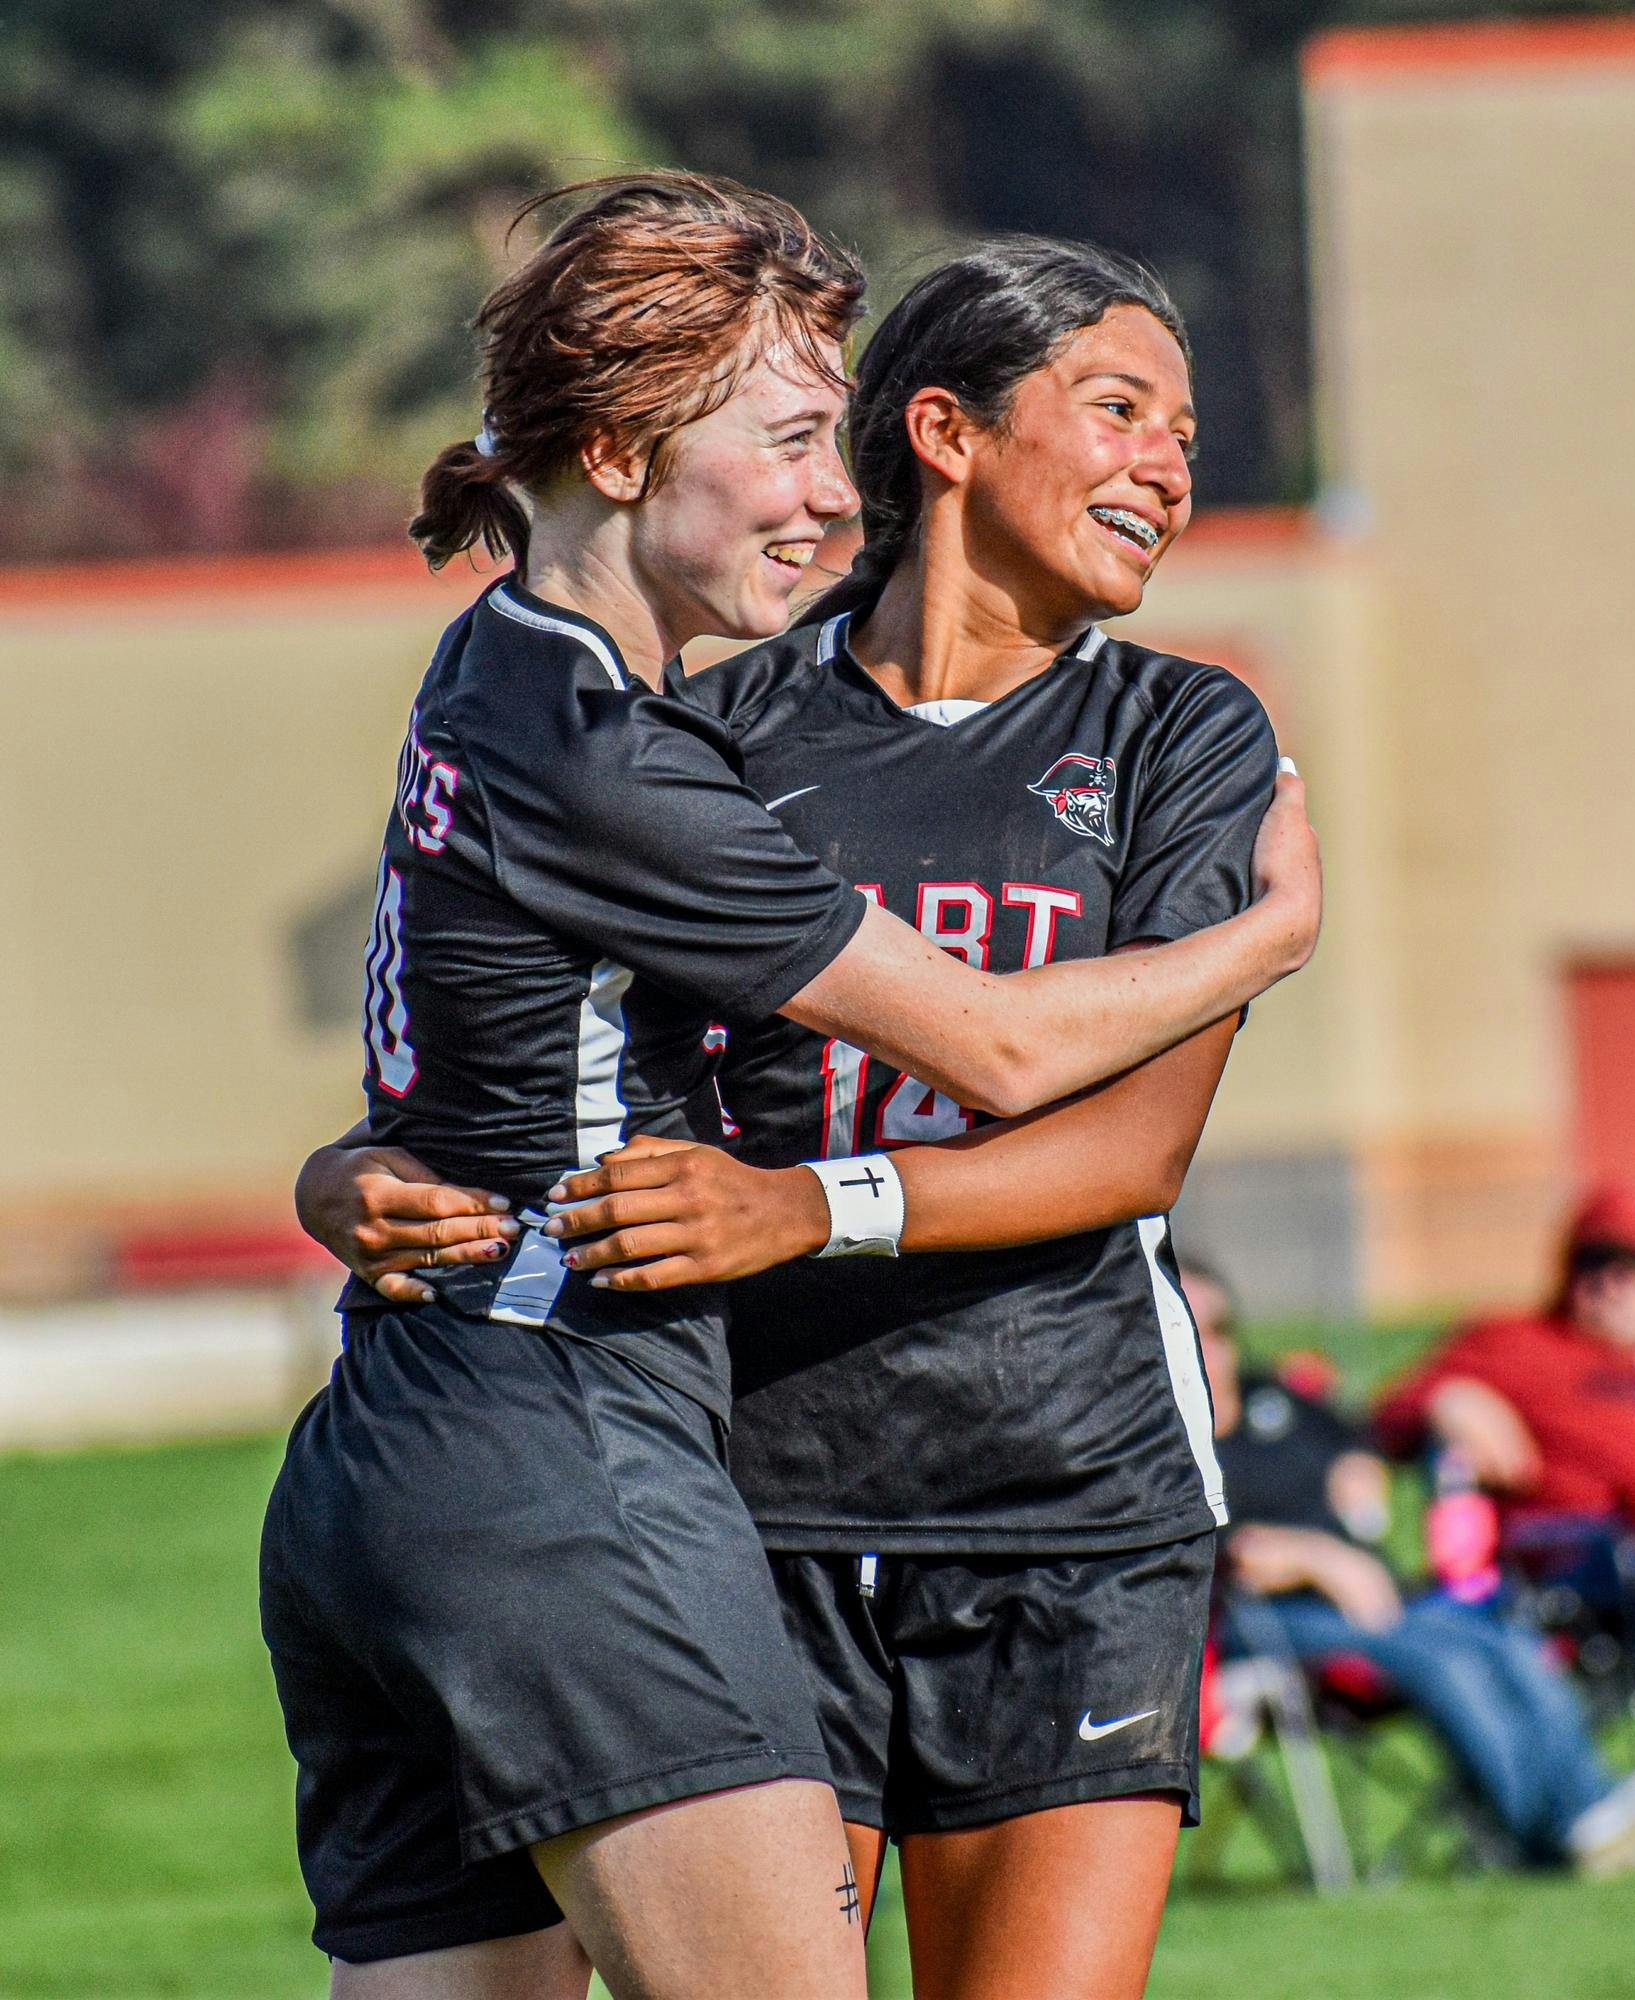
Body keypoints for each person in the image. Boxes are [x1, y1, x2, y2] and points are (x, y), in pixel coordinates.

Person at [269, 181, 1321, 2000]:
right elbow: (992, 1048)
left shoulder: (1164, 729)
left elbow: (1129, 1142)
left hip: (996, 1485)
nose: (1167, 458)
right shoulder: (669, 734)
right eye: (1119, 405)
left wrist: (352, 1174)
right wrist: (1271, 931)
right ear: (947, 433)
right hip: (652, 1464)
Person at [1186, 1257, 1635, 1873]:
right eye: (1185, 1328)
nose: (1207, 1346)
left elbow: (1372, 1430)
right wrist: (1315, 1556)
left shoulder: (1279, 1399)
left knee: (1499, 1636)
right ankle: (1548, 1832)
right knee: (1443, 1658)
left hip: (1374, 1599)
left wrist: (1365, 1462)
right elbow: (1212, 1549)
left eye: (1219, 1328)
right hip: (1260, 1619)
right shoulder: (1161, 1437)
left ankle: (1587, 1811)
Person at [1376, 1182, 1635, 1538]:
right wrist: (1450, 1400)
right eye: (1592, 1262)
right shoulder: (1516, 1342)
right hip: (1570, 1557)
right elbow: (1383, 1420)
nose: (1608, 1283)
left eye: (1630, 1266)